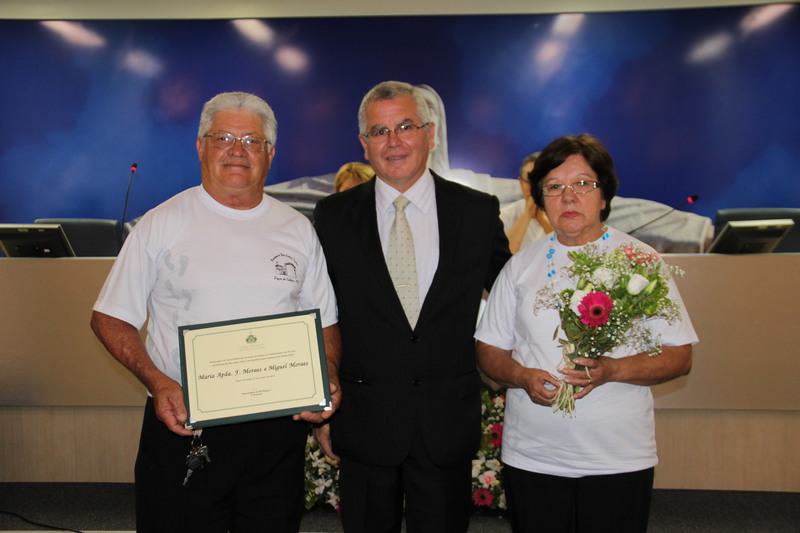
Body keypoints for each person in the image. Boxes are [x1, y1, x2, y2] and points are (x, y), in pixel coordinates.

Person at [90, 91, 341, 533]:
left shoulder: (298, 229)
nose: (238, 150)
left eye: (251, 140)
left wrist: (329, 375)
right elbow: (109, 317)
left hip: (275, 433)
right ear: (201, 146)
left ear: (270, 152)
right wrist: (158, 381)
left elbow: (324, 322)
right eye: (223, 137)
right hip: (184, 426)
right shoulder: (160, 224)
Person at [312, 81, 511, 533]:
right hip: (363, 422)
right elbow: (317, 312)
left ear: (431, 134)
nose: (394, 141)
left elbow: (512, 294)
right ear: (364, 145)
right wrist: (318, 403)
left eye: (405, 126)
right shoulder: (333, 217)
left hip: (446, 421)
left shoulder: (477, 212)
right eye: (379, 131)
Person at [475, 133, 696, 532]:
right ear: (540, 203)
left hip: (618, 455)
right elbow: (489, 350)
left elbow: (679, 356)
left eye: (582, 184)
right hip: (533, 455)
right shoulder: (520, 266)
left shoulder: (640, 260)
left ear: (605, 195)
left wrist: (611, 369)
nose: (569, 197)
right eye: (554, 188)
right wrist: (521, 377)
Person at [500, 152, 552, 253]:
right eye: (529, 181)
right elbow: (503, 256)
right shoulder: (506, 215)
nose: (535, 188)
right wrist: (527, 215)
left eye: (540, 182)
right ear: (521, 182)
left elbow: (570, 254)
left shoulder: (563, 212)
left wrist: (542, 220)